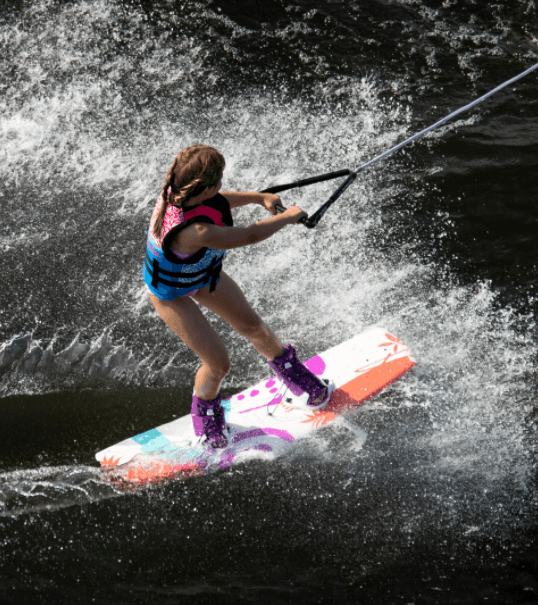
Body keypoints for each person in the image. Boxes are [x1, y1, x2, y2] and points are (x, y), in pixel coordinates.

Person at [144, 145, 331, 449]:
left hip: (202, 277)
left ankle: (292, 375)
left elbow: (219, 201)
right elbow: (249, 235)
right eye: (218, 181)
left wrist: (260, 198)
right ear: (205, 187)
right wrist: (289, 217)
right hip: (170, 294)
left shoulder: (182, 190)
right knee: (218, 363)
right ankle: (205, 420)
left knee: (254, 327)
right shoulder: (196, 231)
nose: (220, 187)